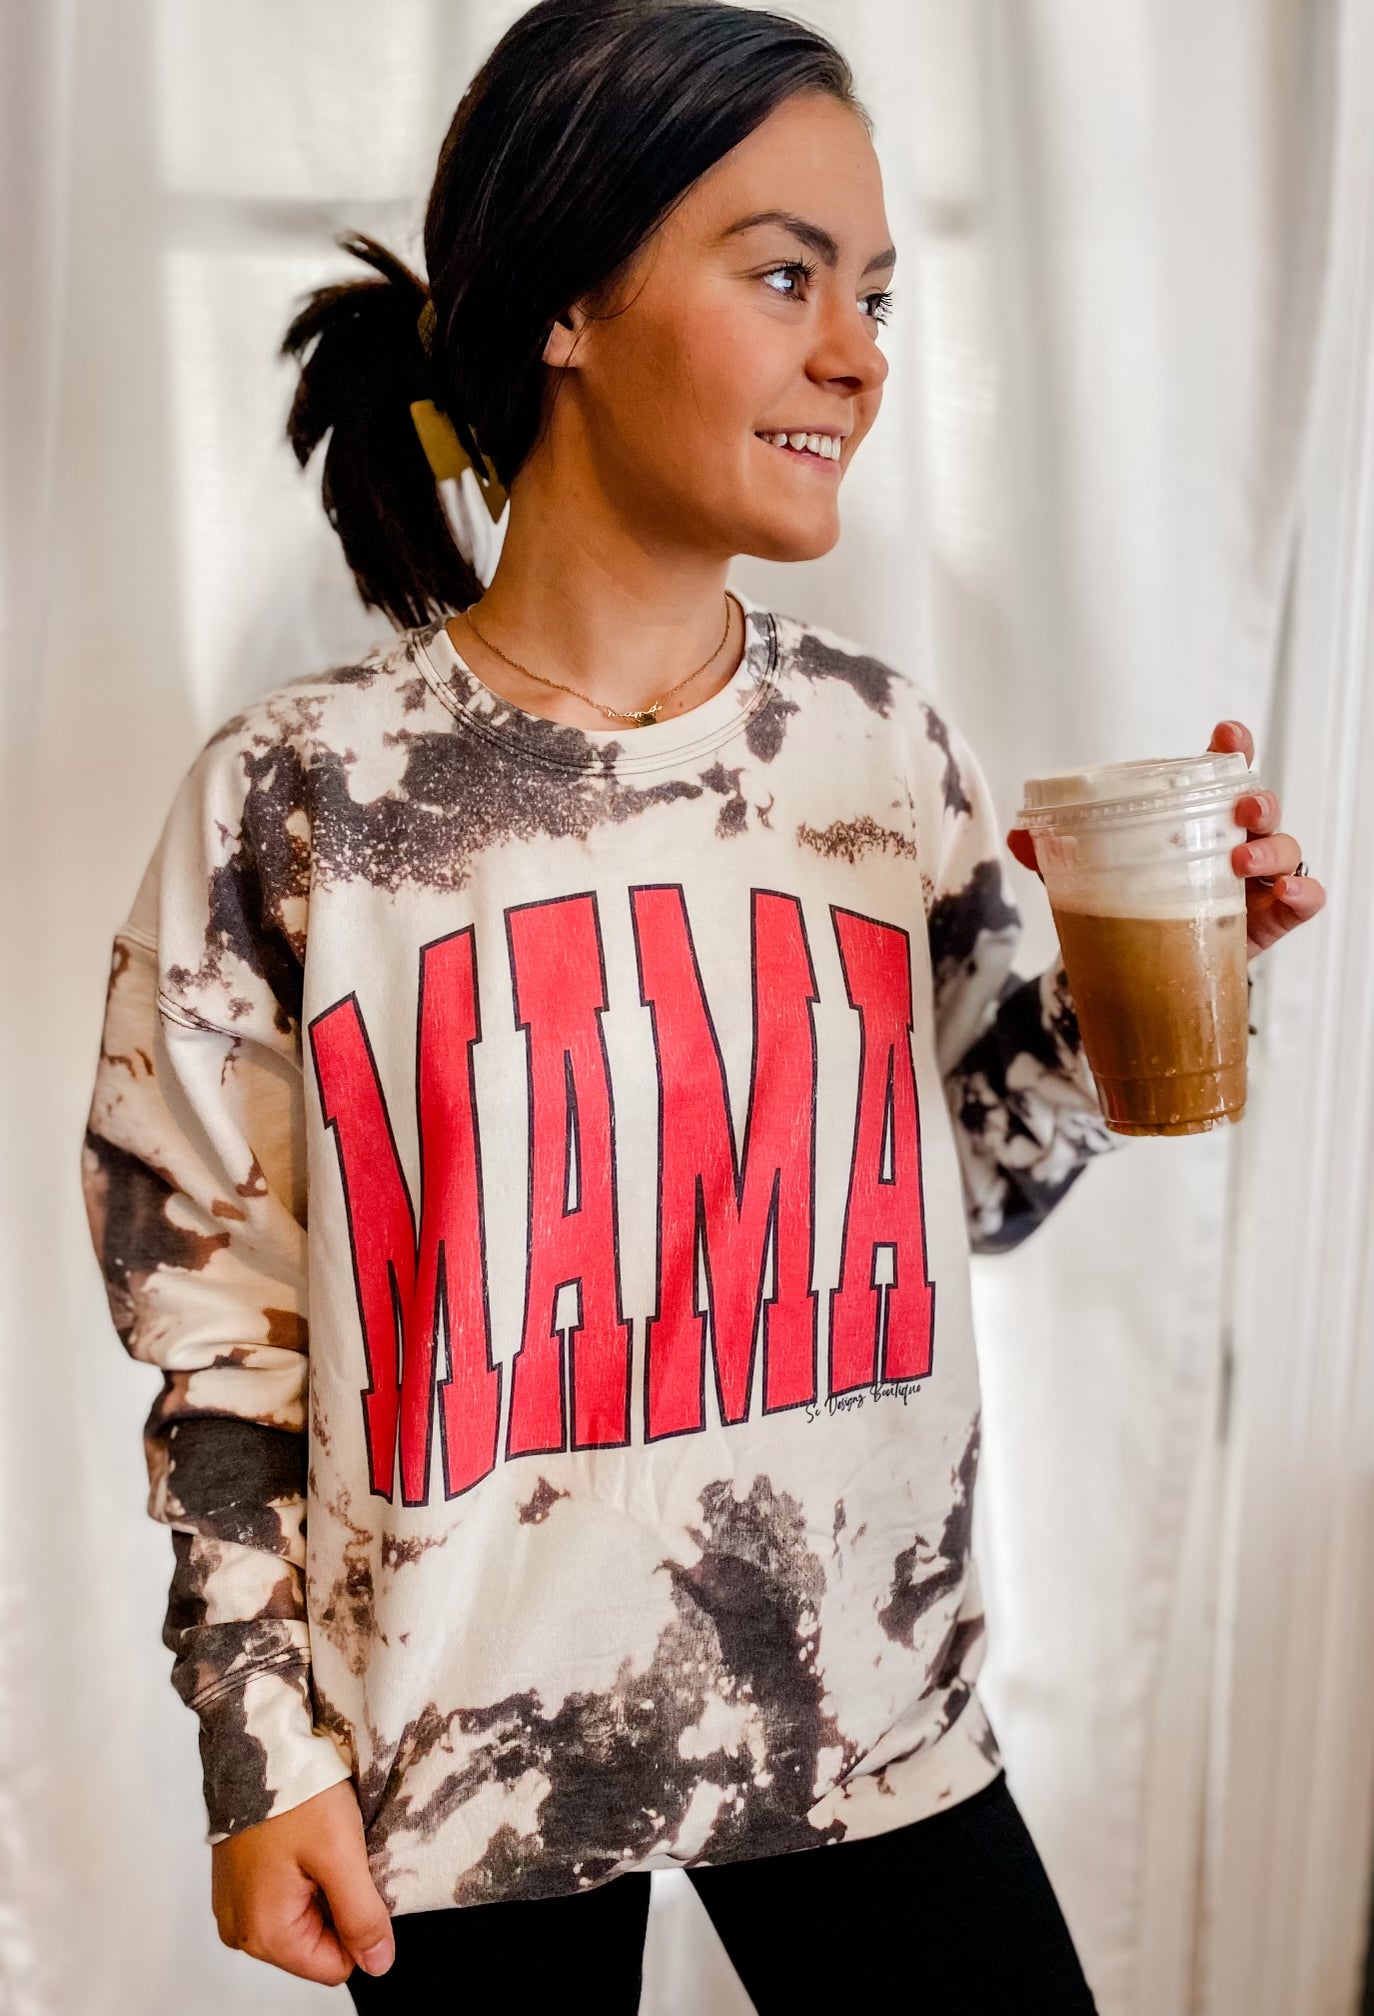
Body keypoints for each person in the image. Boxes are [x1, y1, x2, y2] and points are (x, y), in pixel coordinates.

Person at [77, 2, 1325, 2009]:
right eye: (783, 275)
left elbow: (972, 1185)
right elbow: (221, 1330)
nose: (860, 353)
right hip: (461, 1766)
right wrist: (259, 1750)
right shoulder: (305, 800)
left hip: (864, 1717)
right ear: (568, 305)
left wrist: (1146, 997)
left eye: (875, 294)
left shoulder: (880, 752)